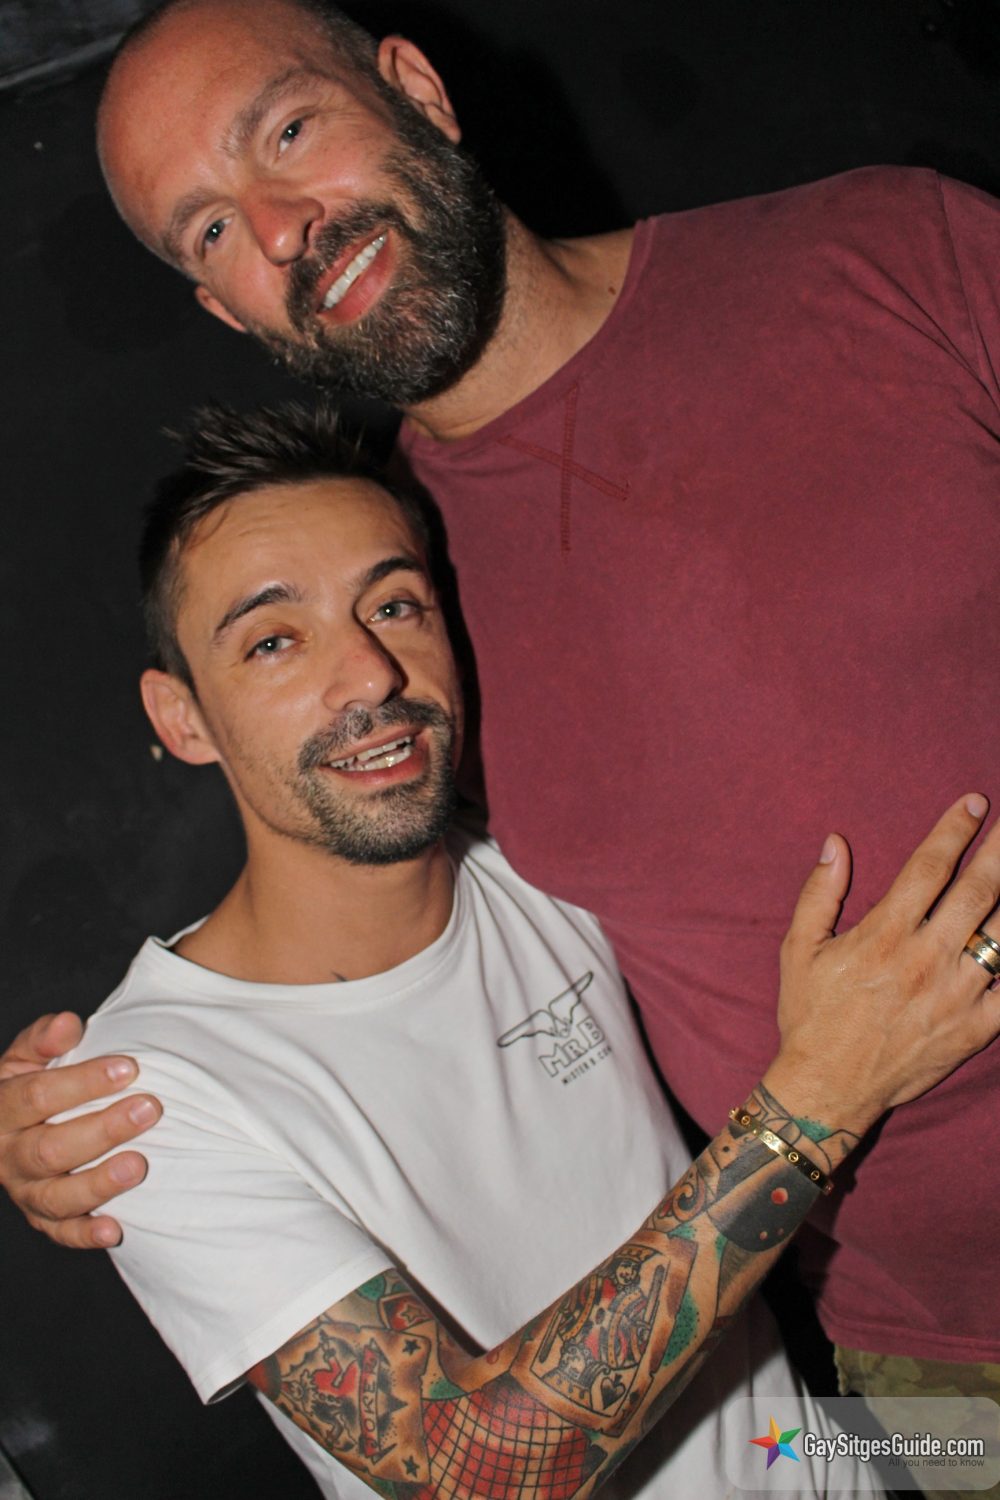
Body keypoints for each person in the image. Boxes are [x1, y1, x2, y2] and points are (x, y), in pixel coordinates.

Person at [4, 0, 1000, 1404]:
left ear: (416, 89)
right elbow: (364, 958)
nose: (282, 229)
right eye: (212, 229)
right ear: (224, 309)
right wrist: (98, 1117)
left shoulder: (882, 248)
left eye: (287, 131)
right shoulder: (394, 604)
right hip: (937, 1377)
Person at [50, 400, 1000, 1500]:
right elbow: (477, 1477)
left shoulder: (538, 863)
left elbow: (754, 1435)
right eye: (274, 640)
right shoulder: (144, 1099)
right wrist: (821, 1100)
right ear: (182, 718)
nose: (369, 674)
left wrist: (945, 1446)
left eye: (393, 606)